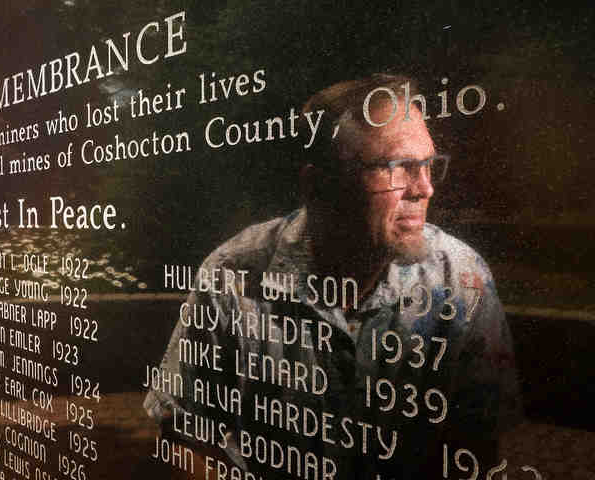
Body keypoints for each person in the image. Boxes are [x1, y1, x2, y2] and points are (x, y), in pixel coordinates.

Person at [144, 74, 521, 480]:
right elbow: (185, 438)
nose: (425, 188)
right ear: (319, 184)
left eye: (429, 166)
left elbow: (477, 446)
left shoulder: (463, 278)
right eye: (398, 168)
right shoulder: (233, 276)